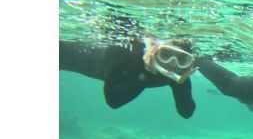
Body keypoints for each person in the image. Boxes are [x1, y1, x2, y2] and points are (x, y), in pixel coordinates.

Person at [59, 36, 197, 118]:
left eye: (182, 59)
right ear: (154, 50)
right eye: (165, 54)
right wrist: (146, 74)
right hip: (73, 56)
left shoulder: (177, 73)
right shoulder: (129, 56)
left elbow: (186, 113)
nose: (171, 64)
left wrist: (181, 85)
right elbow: (113, 100)